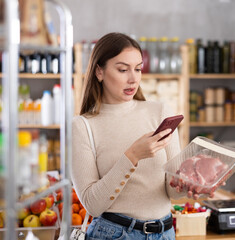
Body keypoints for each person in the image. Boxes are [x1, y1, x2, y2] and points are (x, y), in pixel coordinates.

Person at [72, 32, 186, 240]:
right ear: (99, 71)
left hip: (165, 233)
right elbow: (92, 204)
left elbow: (172, 192)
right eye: (123, 69)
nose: (133, 79)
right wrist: (132, 156)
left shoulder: (160, 112)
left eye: (138, 69)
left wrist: (188, 184)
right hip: (114, 233)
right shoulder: (82, 126)